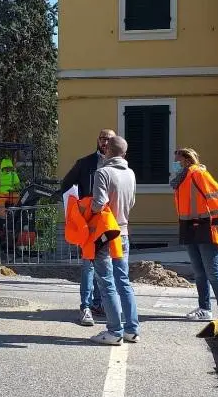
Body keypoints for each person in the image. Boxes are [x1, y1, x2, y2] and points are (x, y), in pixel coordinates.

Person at [59, 129, 115, 326]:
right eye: (102, 138)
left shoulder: (117, 165)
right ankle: (86, 307)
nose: (105, 142)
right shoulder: (85, 163)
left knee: (105, 266)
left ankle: (99, 304)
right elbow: (66, 185)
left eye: (108, 139)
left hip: (109, 224)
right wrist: (76, 211)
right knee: (88, 266)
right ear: (97, 141)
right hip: (89, 224)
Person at [170, 147, 218, 321]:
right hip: (190, 227)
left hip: (206, 227)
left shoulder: (198, 174)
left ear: (186, 160)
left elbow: (217, 195)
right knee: (199, 272)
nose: (175, 164)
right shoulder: (181, 179)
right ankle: (204, 309)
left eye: (177, 160)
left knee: (212, 271)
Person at [89, 135, 139, 345]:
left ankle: (114, 331)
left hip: (105, 233)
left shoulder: (103, 173)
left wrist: (87, 208)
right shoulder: (130, 173)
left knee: (106, 282)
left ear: (107, 150)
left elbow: (98, 204)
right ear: (125, 153)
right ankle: (131, 329)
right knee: (123, 281)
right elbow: (133, 201)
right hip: (124, 231)